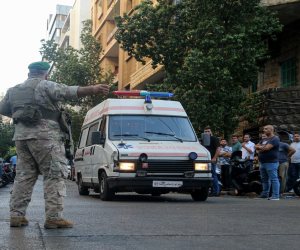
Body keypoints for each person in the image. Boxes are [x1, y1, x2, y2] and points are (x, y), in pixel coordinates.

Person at [0, 61, 110, 229]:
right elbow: (70, 91)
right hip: (46, 137)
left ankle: (16, 216)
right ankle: (53, 217)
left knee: (24, 176)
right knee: (54, 174)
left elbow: (3, 108)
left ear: (29, 73)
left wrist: (22, 114)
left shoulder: (14, 90)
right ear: (45, 73)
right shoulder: (45, 85)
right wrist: (94, 89)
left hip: (21, 138)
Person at [255, 125, 280, 200]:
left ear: (271, 130)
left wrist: (261, 148)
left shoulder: (275, 138)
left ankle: (275, 196)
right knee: (264, 179)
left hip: (271, 162)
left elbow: (267, 148)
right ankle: (265, 194)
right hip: (262, 162)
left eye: (266, 129)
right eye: (264, 129)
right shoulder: (264, 139)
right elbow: (256, 146)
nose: (264, 130)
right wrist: (261, 148)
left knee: (273, 179)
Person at [203, 126, 220, 196]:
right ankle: (211, 191)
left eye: (208, 131)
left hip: (212, 159)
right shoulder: (203, 140)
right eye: (205, 131)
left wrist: (214, 158)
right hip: (205, 160)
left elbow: (218, 149)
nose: (207, 132)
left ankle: (216, 191)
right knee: (207, 175)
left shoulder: (214, 138)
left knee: (213, 174)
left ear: (211, 132)